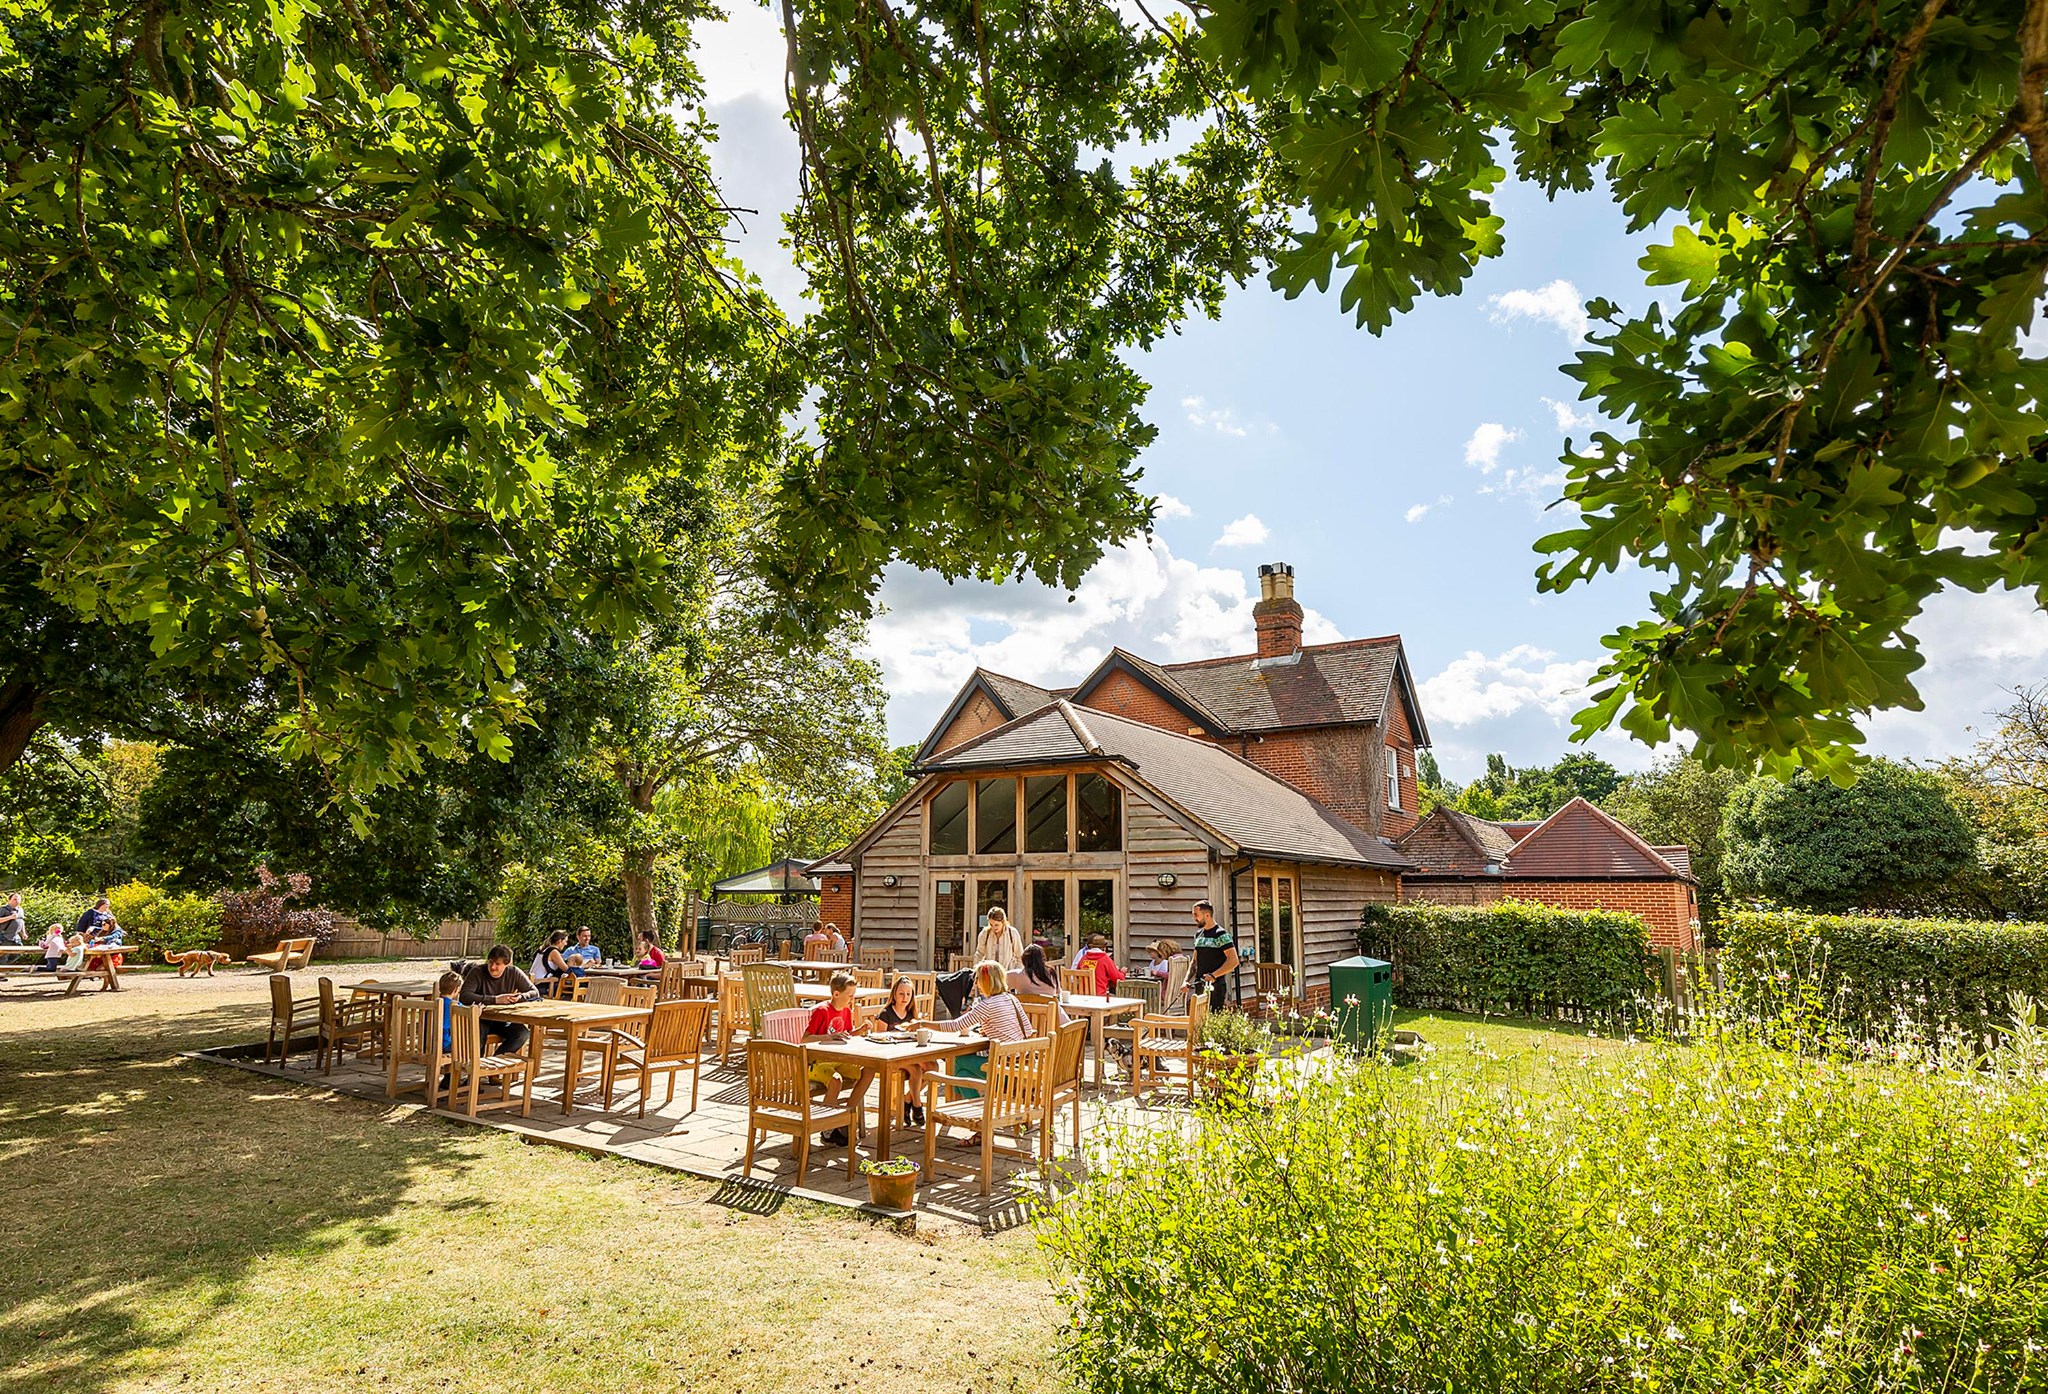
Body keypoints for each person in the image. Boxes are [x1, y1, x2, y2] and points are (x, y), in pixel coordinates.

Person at [926, 960, 1034, 1087]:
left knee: (956, 1061)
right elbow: (1028, 1030)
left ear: (987, 982)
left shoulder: (987, 1005)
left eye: (978, 979)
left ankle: (967, 1103)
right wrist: (996, 1030)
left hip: (1003, 1071)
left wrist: (924, 1024)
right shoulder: (1012, 998)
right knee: (962, 1074)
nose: (976, 984)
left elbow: (955, 1026)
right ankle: (972, 1105)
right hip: (1020, 1068)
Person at [802, 971, 873, 1146]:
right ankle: (826, 1129)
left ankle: (845, 1116)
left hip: (839, 1059)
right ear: (836, 994)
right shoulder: (822, 1011)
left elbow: (846, 1035)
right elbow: (804, 1039)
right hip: (817, 1062)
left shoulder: (847, 1011)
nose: (852, 999)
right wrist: (827, 1037)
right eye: (850, 995)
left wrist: (860, 1030)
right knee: (836, 1081)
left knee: (870, 1069)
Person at [458, 946, 540, 1055]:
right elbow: (464, 996)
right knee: (478, 1034)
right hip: (480, 1017)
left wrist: (520, 997)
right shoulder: (477, 972)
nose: (492, 967)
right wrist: (495, 999)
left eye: (497, 964)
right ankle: (477, 1066)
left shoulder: (514, 972)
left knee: (522, 1034)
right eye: (491, 962)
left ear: (506, 965)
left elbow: (534, 992)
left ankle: (494, 1063)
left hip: (502, 1019)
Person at [871, 976, 930, 1126]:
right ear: (894, 995)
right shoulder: (886, 1014)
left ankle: (906, 1099)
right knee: (916, 1069)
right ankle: (917, 1105)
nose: (904, 998)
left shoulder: (911, 1015)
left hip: (909, 1053)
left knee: (933, 1067)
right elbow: (879, 1039)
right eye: (901, 994)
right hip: (892, 1055)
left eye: (908, 994)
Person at [1188, 899, 1240, 1010]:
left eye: (1196, 915)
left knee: (1212, 1021)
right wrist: (1186, 981)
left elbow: (1233, 961)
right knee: (1198, 1022)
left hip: (1215, 987)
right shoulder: (1198, 935)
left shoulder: (1221, 934)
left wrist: (1213, 975)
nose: (1194, 918)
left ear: (1207, 915)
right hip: (1200, 985)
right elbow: (1194, 962)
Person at [973, 905, 1023, 972]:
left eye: (996, 925)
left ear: (1003, 922)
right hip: (990, 974)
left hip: (1007, 973)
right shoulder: (985, 933)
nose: (994, 928)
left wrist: (1016, 972)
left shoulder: (1012, 933)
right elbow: (979, 954)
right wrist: (978, 971)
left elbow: (1020, 956)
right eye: (991, 925)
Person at [436, 971, 464, 1052]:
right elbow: (470, 1014)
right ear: (456, 990)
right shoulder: (455, 1005)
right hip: (446, 1045)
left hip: (428, 1044)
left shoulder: (433, 1004)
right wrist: (478, 1011)